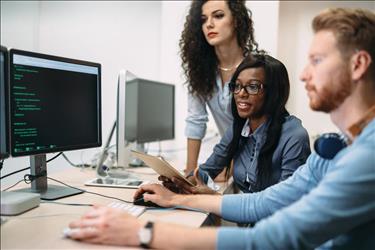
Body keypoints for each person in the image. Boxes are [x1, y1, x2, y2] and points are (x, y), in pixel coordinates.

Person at [67, 8, 375, 249]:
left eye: (317, 60)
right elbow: (265, 201)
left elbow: (273, 240)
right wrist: (177, 198)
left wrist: (142, 232)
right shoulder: (339, 145)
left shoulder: (366, 156)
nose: (305, 75)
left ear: (358, 65)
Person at [165, 54, 310, 195]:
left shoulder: (294, 136)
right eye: (237, 86)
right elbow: (208, 170)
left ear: (274, 92)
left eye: (253, 87)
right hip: (247, 219)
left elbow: (283, 203)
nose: (241, 93)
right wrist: (178, 182)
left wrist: (216, 199)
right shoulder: (240, 128)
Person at [181, 0, 260, 177]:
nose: (209, 24)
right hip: (229, 159)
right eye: (203, 19)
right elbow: (196, 120)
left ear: (237, 21)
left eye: (218, 16)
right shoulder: (200, 71)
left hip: (261, 163)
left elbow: (260, 130)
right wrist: (189, 174)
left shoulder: (258, 70)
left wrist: (231, 164)